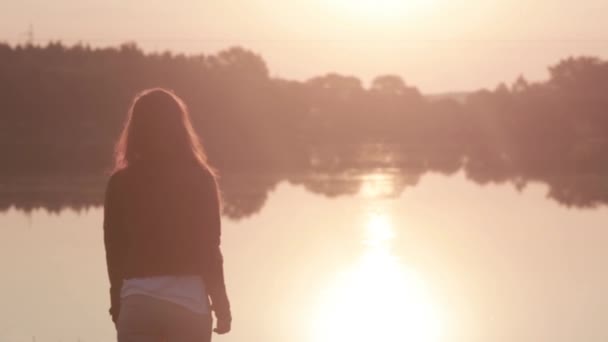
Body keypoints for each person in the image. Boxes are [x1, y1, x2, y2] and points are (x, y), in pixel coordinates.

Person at [103, 88, 231, 342]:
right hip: (189, 304)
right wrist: (221, 305)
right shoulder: (200, 178)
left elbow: (113, 249)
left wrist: (118, 303)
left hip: (137, 303)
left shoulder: (120, 183)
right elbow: (209, 247)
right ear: (180, 127)